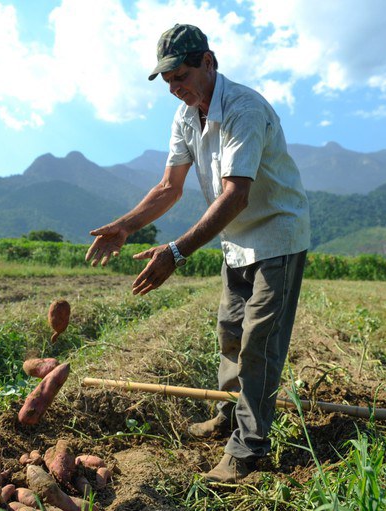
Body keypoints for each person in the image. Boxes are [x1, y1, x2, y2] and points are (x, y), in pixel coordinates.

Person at [85, 23, 311, 483]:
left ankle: (248, 448)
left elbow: (236, 196)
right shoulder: (187, 116)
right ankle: (231, 413)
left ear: (209, 62)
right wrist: (127, 226)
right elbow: (170, 187)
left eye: (181, 76)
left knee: (259, 344)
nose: (175, 88)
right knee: (230, 332)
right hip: (236, 240)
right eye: (168, 81)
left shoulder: (244, 109)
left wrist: (176, 252)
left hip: (277, 237)